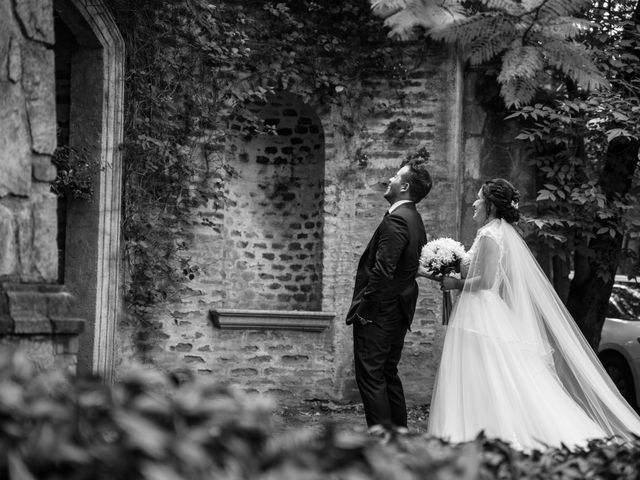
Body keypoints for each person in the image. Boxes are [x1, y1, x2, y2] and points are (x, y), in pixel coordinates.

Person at [426, 178, 640, 450]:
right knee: (480, 373)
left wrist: (455, 283)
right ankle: (475, 430)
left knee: (484, 372)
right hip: (476, 311)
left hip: (479, 312)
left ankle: (481, 434)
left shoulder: (491, 234)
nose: (474, 203)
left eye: (479, 199)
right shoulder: (498, 231)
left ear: (491, 205)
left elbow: (488, 280)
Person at [346, 156, 432, 432]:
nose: (390, 180)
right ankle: (399, 435)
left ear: (404, 187)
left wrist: (365, 312)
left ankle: (383, 442)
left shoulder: (397, 220)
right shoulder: (414, 219)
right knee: (387, 373)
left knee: (371, 376)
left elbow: (383, 271)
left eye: (395, 176)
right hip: (397, 309)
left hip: (381, 312)